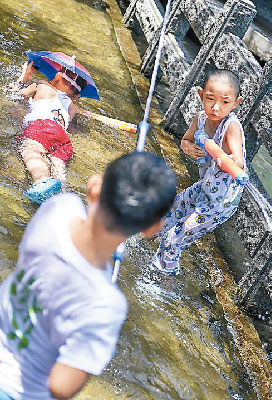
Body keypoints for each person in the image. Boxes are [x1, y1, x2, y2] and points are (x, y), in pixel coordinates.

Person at [0, 151, 177, 400]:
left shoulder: (59, 209)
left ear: (94, 186)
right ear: (152, 229)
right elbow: (61, 386)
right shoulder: (107, 305)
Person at [152, 68, 246, 276]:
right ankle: (140, 246)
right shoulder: (201, 119)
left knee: (175, 238)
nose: (215, 107)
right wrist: (188, 148)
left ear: (236, 103)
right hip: (203, 188)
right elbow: (186, 140)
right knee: (162, 216)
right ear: (200, 94)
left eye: (225, 102)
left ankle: (163, 277)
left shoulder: (231, 127)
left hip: (220, 202)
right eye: (210, 99)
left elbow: (238, 159)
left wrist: (228, 160)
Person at [13, 61, 86, 204]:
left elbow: (16, 94)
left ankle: (41, 180)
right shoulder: (72, 108)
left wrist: (24, 76)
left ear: (57, 77)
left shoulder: (43, 85)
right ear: (76, 96)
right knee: (57, 167)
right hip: (63, 140)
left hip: (41, 127)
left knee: (32, 152)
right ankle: (61, 198)